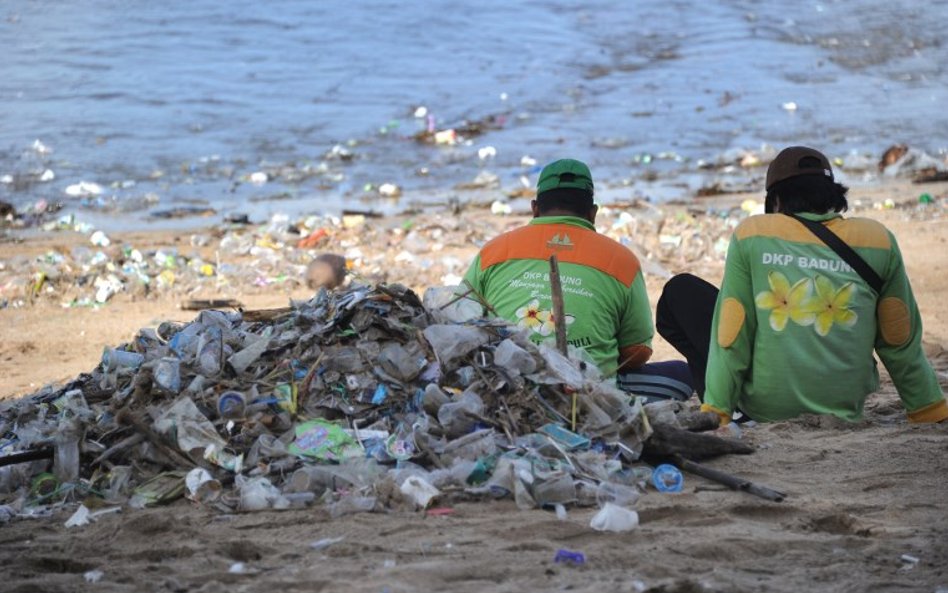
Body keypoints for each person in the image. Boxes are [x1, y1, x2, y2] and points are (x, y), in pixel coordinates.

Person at [656, 146, 947, 424]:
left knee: (681, 292)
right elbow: (898, 338)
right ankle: (927, 407)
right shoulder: (877, 239)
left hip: (766, 408)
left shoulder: (754, 234)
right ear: (832, 194)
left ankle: (729, 410)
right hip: (846, 407)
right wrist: (928, 407)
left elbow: (733, 333)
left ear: (777, 201)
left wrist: (717, 411)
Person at [461, 158, 693, 401]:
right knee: (683, 373)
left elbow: (461, 319)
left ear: (535, 209)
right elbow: (637, 351)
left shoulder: (494, 251)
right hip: (590, 394)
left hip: (505, 386)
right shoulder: (621, 260)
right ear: (593, 213)